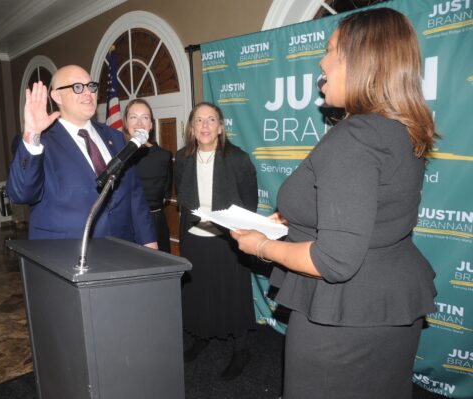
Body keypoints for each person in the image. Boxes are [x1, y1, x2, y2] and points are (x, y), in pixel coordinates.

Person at [231, 8, 438, 398]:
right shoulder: (400, 130)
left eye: (331, 50)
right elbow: (374, 213)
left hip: (343, 326)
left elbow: (335, 261)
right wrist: (293, 223)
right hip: (386, 311)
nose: (321, 61)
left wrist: (261, 246)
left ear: (361, 61)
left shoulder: (355, 137)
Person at [6, 65, 157, 248]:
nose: (88, 93)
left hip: (121, 250)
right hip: (66, 255)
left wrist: (149, 241)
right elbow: (21, 194)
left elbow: (134, 195)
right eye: (77, 87)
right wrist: (32, 133)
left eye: (91, 86)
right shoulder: (38, 141)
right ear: (56, 96)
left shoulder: (116, 138)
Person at [176, 102, 258, 380]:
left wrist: (240, 231)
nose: (205, 126)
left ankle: (242, 349)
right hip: (195, 239)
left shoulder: (238, 158)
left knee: (232, 295)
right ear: (191, 128)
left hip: (228, 241)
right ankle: (202, 336)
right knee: (198, 293)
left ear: (221, 127)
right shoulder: (182, 158)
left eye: (211, 120)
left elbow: (249, 203)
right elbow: (183, 200)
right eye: (199, 120)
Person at [122, 99, 173, 252]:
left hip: (155, 225)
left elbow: (166, 192)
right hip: (124, 225)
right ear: (125, 123)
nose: (139, 123)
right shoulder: (116, 154)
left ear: (151, 125)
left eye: (145, 117)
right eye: (133, 117)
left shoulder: (164, 156)